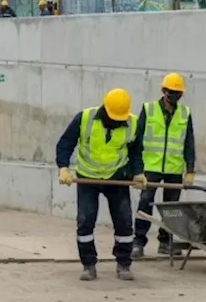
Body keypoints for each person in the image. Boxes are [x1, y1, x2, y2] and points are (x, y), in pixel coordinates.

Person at [56, 88, 145, 282]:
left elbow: (136, 151)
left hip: (117, 177)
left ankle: (124, 264)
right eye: (114, 118)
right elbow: (65, 143)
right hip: (88, 177)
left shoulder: (133, 123)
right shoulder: (85, 119)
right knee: (85, 221)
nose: (117, 122)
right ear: (104, 109)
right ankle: (89, 265)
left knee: (124, 223)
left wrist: (138, 172)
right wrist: (63, 168)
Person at [133, 73, 197, 257]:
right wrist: (135, 170)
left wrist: (190, 169)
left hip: (174, 168)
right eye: (171, 92)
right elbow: (137, 139)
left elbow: (189, 143)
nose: (174, 96)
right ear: (163, 91)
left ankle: (166, 242)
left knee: (172, 208)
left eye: (178, 93)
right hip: (150, 167)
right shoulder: (149, 109)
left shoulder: (185, 114)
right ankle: (138, 241)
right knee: (145, 203)